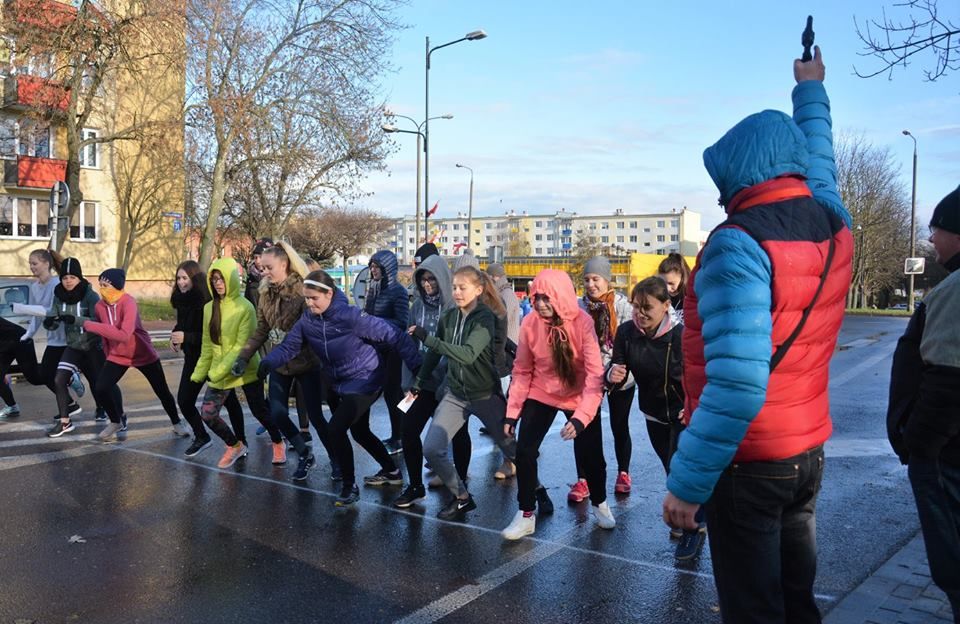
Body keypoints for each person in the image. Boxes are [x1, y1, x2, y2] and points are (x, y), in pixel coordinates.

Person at [662, 46, 853, 622]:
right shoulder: (832, 222)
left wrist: (687, 485)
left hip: (748, 464)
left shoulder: (736, 245)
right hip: (806, 451)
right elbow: (822, 162)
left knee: (752, 610)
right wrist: (811, 89)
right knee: (797, 600)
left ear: (738, 173)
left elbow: (740, 385)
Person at [261, 270, 422, 507]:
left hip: (366, 379)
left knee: (336, 429)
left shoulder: (351, 316)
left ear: (329, 293)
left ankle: (349, 486)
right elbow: (289, 347)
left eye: (314, 298)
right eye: (306, 298)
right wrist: (268, 362)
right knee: (359, 432)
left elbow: (394, 335)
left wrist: (417, 366)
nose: (309, 303)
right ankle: (392, 471)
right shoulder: (308, 320)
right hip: (339, 383)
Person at [888, 184, 960, 619]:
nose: (931, 239)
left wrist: (919, 444)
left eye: (936, 229)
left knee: (953, 567)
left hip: (945, 458)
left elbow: (948, 380)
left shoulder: (954, 292)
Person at [501, 269, 610, 540]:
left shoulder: (582, 323)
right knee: (525, 451)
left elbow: (596, 376)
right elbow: (523, 370)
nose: (540, 304)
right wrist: (512, 414)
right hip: (543, 391)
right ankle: (526, 513)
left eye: (547, 299)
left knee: (591, 456)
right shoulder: (530, 323)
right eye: (536, 298)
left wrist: (581, 417)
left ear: (561, 297)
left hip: (579, 395)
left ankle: (599, 502)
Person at [409, 265, 523, 520]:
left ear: (478, 290)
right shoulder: (449, 317)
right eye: (454, 288)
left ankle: (536, 490)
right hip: (456, 394)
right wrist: (420, 381)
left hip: (484, 394)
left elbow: (469, 355)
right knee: (432, 448)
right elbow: (434, 354)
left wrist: (428, 338)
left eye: (463, 288)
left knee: (512, 449)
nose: (457, 292)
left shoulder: (485, 319)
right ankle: (461, 497)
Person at [608, 277, 703, 561]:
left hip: (682, 413)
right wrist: (611, 375)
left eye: (647, 307)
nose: (640, 313)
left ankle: (692, 530)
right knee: (670, 468)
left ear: (665, 306)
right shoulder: (626, 332)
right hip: (652, 411)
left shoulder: (681, 336)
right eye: (637, 306)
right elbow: (617, 371)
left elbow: (700, 375)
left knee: (680, 472)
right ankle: (694, 513)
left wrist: (693, 404)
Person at [234, 242, 337, 481]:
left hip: (306, 362)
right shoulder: (264, 293)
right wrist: (243, 357)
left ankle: (336, 458)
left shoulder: (302, 291)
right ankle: (304, 453)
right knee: (278, 414)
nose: (264, 272)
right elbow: (261, 329)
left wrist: (272, 358)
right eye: (262, 268)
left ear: (284, 264)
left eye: (269, 267)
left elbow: (306, 333)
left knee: (316, 417)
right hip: (280, 364)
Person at [391, 254, 471, 508]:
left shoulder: (455, 309)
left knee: (458, 433)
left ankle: (459, 485)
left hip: (449, 383)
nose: (427, 285)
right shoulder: (417, 307)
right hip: (422, 380)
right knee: (409, 429)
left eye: (432, 280)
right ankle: (415, 486)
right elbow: (408, 342)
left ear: (442, 280)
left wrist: (448, 382)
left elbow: (458, 349)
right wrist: (409, 378)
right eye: (423, 280)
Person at [190, 259, 281, 467]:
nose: (218, 283)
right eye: (214, 280)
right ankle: (235, 445)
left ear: (230, 279)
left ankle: (277, 440)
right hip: (220, 371)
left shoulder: (245, 307)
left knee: (260, 411)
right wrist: (200, 372)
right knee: (208, 414)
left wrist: (217, 371)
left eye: (222, 279)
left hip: (245, 366)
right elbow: (207, 344)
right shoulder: (208, 309)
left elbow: (241, 346)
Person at [83, 269, 188, 442]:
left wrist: (90, 325)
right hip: (118, 355)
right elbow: (106, 334)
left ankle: (177, 422)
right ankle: (116, 420)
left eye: (106, 285)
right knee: (101, 387)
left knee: (162, 390)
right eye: (100, 285)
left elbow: (124, 333)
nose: (102, 289)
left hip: (142, 353)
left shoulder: (128, 302)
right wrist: (109, 354)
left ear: (117, 286)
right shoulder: (99, 307)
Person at [569, 256, 636, 502]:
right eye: (586, 279)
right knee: (583, 428)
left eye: (595, 279)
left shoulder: (622, 306)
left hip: (620, 375)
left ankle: (623, 472)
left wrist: (622, 368)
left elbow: (631, 341)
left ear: (606, 280)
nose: (590, 284)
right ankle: (583, 479)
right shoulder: (578, 307)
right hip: (589, 378)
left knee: (620, 426)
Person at [0, 249, 86, 420]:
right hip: (51, 338)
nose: (31, 267)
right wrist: (29, 333)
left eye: (34, 263)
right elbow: (36, 315)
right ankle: (68, 407)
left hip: (65, 337)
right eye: (30, 264)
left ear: (47, 264)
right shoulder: (34, 287)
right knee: (44, 376)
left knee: (48, 376)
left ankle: (71, 403)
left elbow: (51, 311)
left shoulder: (56, 285)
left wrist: (22, 308)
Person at [171, 260, 243, 458]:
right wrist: (176, 336)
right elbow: (182, 325)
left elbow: (209, 336)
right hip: (192, 358)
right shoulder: (181, 299)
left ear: (195, 279)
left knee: (231, 402)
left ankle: (240, 442)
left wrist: (186, 336)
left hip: (211, 359)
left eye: (185, 278)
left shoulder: (205, 302)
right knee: (185, 400)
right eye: (178, 278)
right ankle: (202, 436)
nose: (180, 282)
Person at [43, 258, 121, 437]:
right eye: (65, 278)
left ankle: (116, 416)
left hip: (93, 346)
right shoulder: (58, 295)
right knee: (58, 379)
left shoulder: (90, 295)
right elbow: (53, 320)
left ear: (79, 278)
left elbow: (100, 322)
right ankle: (65, 422)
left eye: (72, 277)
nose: (68, 281)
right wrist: (49, 322)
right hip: (73, 347)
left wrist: (76, 319)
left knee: (101, 384)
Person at [364, 249, 410, 455]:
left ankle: (400, 436)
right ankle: (395, 435)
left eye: (377, 267)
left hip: (393, 348)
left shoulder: (398, 291)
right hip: (377, 348)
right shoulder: (373, 289)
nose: (373, 270)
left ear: (387, 268)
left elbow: (402, 322)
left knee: (394, 394)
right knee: (382, 392)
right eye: (372, 267)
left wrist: (376, 323)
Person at [657, 253, 691, 325]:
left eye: (671, 283)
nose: (667, 288)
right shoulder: (659, 298)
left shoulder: (693, 298)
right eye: (662, 282)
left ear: (683, 278)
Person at [244, 238, 274, 308]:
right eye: (255, 257)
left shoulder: (276, 277)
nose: (258, 261)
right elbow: (247, 302)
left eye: (261, 257)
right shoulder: (251, 277)